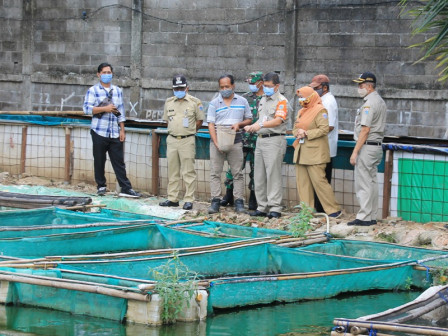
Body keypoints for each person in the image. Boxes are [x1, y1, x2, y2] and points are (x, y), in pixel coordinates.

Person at [83, 62, 141, 198]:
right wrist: (105, 109)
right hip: (99, 131)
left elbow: (120, 111)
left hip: (114, 131)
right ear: (98, 74)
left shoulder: (117, 91)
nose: (107, 75)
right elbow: (86, 109)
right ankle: (101, 186)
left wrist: (122, 130)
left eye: (109, 72)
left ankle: (126, 188)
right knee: (99, 160)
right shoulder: (93, 90)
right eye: (104, 73)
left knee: (119, 161)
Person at [207, 74, 252, 214]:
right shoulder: (214, 103)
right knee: (215, 172)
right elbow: (210, 124)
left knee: (237, 173)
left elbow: (249, 119)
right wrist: (216, 143)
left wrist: (239, 124)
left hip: (236, 141)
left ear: (233, 86)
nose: (225, 89)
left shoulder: (242, 101)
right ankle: (215, 201)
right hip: (218, 140)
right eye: (222, 87)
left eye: (227, 86)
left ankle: (239, 201)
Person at [244, 72, 287, 219]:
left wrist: (260, 125)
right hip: (260, 139)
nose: (266, 88)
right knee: (259, 175)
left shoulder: (282, 101)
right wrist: (252, 127)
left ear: (277, 86)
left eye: (269, 86)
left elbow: (278, 121)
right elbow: (260, 119)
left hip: (274, 140)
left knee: (273, 175)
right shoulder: (263, 99)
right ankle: (262, 207)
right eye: (265, 85)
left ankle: (275, 207)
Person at [292, 86, 341, 217]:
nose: (301, 100)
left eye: (303, 97)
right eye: (300, 97)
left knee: (320, 182)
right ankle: (306, 211)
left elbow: (324, 129)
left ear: (311, 97)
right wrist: (298, 132)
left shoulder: (321, 110)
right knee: (303, 184)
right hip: (301, 152)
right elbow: (295, 127)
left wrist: (306, 133)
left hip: (315, 153)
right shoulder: (302, 111)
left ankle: (333, 210)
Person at [159, 75, 204, 210]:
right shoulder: (169, 102)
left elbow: (200, 121)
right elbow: (167, 120)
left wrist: (189, 131)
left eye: (181, 88)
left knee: (188, 171)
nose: (179, 90)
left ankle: (189, 199)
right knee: (173, 171)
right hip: (172, 139)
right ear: (173, 89)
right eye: (176, 88)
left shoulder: (195, 102)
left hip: (187, 140)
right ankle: (172, 198)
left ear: (187, 88)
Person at [220, 71, 263, 211]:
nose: (250, 85)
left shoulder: (267, 99)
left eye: (253, 83)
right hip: (243, 139)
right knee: (234, 168)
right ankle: (228, 195)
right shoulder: (244, 99)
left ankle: (253, 197)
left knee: (256, 171)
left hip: (259, 141)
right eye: (249, 83)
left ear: (260, 83)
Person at [348, 72, 386, 226]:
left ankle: (364, 217)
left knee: (363, 183)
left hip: (367, 147)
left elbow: (365, 130)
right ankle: (371, 216)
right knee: (371, 182)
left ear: (369, 86)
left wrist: (355, 152)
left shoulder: (369, 103)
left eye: (361, 85)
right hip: (376, 146)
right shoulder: (380, 101)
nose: (359, 88)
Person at [308, 74, 339, 213]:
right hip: (318, 147)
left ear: (325, 87)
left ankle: (324, 210)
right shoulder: (321, 100)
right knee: (317, 180)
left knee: (322, 180)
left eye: (317, 88)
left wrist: (309, 132)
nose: (314, 91)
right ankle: (319, 209)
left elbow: (328, 126)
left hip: (326, 147)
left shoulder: (328, 102)